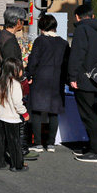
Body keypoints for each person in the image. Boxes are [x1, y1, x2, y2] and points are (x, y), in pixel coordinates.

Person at [0, 6, 38, 161]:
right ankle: (19, 149)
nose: (23, 24)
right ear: (18, 21)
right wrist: (23, 79)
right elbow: (12, 66)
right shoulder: (10, 41)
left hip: (1, 83)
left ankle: (6, 150)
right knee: (17, 117)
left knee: (3, 118)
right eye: (22, 21)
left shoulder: (0, 35)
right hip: (10, 84)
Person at [68, 5, 97, 163]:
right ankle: (92, 146)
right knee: (94, 114)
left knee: (88, 116)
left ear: (78, 17)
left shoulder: (81, 30)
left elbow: (77, 55)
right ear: (92, 16)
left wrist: (72, 76)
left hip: (85, 79)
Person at [25, 14, 70, 153]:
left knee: (37, 111)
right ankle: (50, 144)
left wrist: (29, 73)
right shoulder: (63, 43)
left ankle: (37, 143)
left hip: (41, 78)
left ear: (42, 27)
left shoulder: (40, 41)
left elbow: (34, 60)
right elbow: (67, 62)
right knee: (53, 112)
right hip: (57, 79)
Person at [0, 58, 30, 172]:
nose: (22, 72)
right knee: (14, 142)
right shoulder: (15, 84)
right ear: (15, 71)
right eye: (21, 69)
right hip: (11, 118)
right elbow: (17, 102)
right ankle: (17, 165)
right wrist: (24, 113)